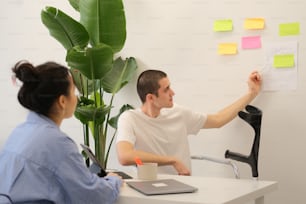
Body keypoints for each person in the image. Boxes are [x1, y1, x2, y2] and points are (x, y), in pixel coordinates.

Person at [0, 61, 123, 204]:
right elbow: (93, 197)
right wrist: (113, 180)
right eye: (73, 92)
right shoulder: (57, 142)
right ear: (62, 101)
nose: (76, 97)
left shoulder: (20, 132)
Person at [116, 69, 262, 176]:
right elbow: (125, 156)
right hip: (148, 190)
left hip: (183, 187)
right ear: (151, 98)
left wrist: (252, 93)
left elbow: (218, 120)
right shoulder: (129, 119)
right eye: (166, 90)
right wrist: (172, 160)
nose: (173, 93)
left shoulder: (178, 113)